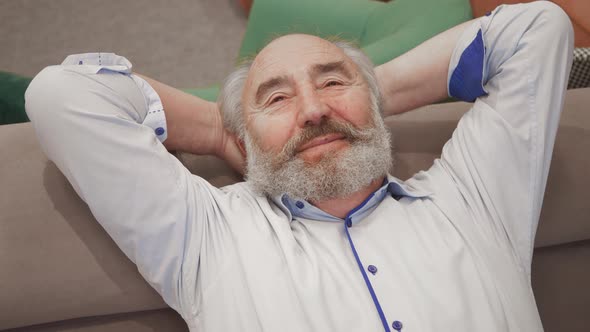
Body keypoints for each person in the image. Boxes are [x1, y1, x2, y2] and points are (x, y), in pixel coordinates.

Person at [25, 2, 573, 331]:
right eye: (276, 100)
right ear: (246, 131)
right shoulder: (207, 238)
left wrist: (371, 96)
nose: (313, 110)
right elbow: (62, 95)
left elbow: (536, 29)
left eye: (333, 82)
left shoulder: (474, 200)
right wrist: (219, 128)